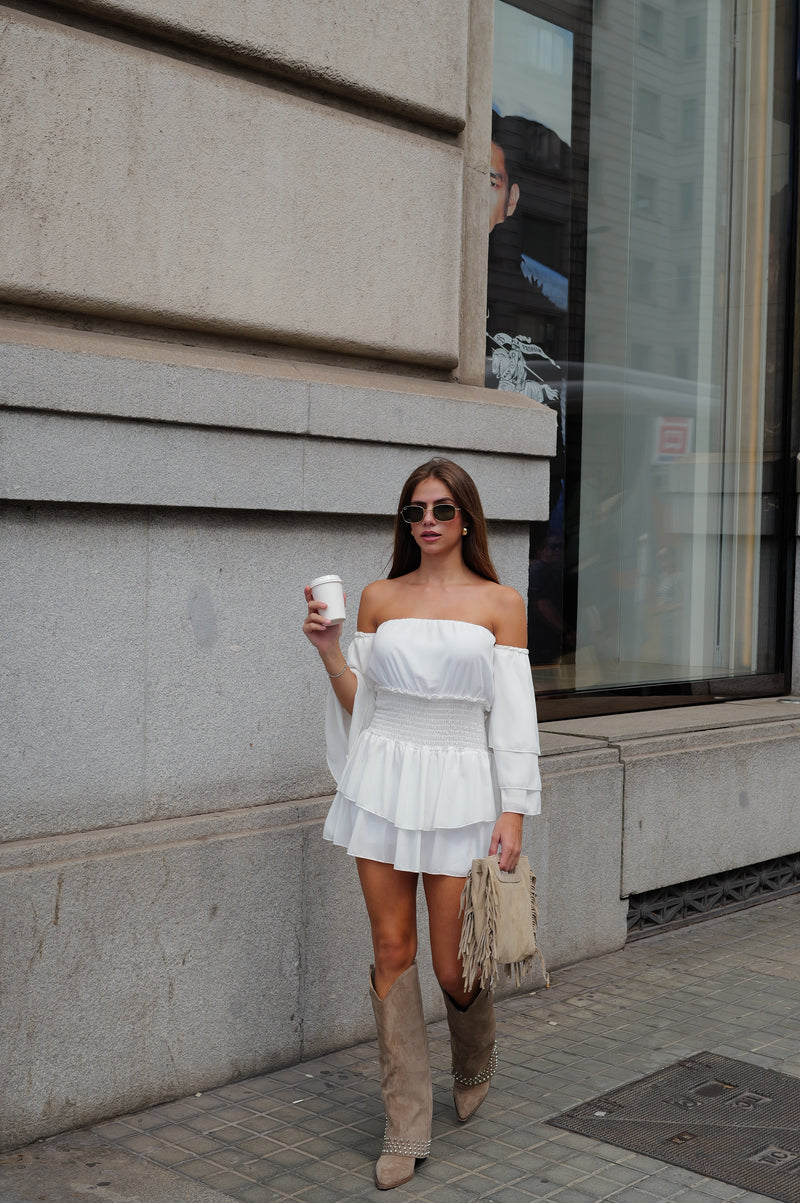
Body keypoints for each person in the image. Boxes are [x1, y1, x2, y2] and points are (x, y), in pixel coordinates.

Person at [302, 457, 541, 1190]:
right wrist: (331, 651)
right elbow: (363, 707)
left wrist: (514, 808)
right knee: (391, 947)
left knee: (452, 961)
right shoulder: (377, 596)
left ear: (466, 517)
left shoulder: (502, 602)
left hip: (463, 783)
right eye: (415, 511)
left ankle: (475, 1049)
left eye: (440, 508)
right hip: (384, 781)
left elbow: (516, 717)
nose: (427, 521)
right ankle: (405, 1121)